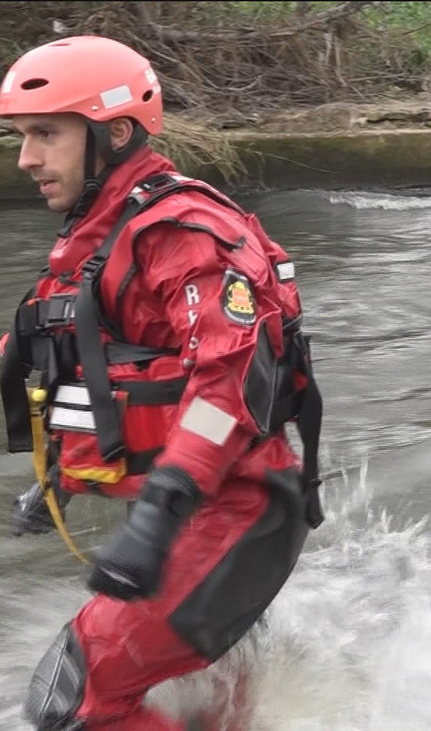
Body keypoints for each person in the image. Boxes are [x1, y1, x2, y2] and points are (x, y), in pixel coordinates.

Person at [0, 35, 326, 731]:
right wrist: (57, 471)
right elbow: (45, 347)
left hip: (235, 511)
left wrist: (159, 513)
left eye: (45, 134)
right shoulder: (99, 231)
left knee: (75, 700)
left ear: (113, 134)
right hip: (194, 515)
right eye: (22, 136)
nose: (25, 158)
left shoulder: (185, 233)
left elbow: (229, 379)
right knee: (218, 714)